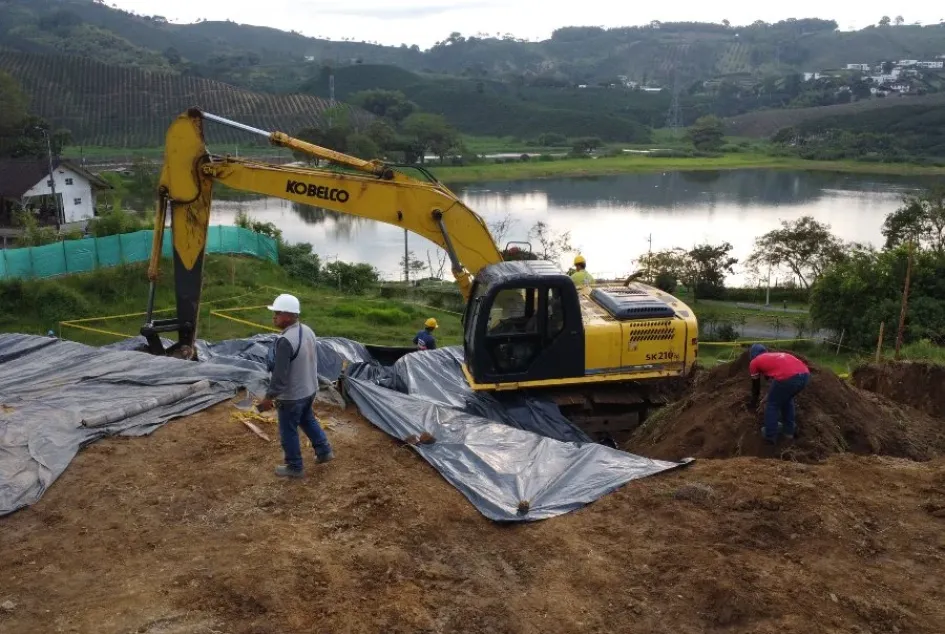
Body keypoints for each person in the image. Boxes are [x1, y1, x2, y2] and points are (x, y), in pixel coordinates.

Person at [257, 293, 334, 478]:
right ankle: (324, 451)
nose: (274, 317)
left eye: (278, 313)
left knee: (288, 431)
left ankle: (294, 466)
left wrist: (269, 397)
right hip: (309, 389)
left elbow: (279, 375)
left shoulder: (285, 341)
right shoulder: (307, 330)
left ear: (290, 315)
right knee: (307, 419)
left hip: (292, 396)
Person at [748, 343, 811, 443]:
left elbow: (756, 387)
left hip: (788, 377)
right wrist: (766, 397)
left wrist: (753, 403)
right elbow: (778, 387)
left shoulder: (754, 362)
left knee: (772, 404)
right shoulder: (773, 357)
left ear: (752, 355)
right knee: (787, 400)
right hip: (805, 375)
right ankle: (789, 432)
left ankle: (770, 435)